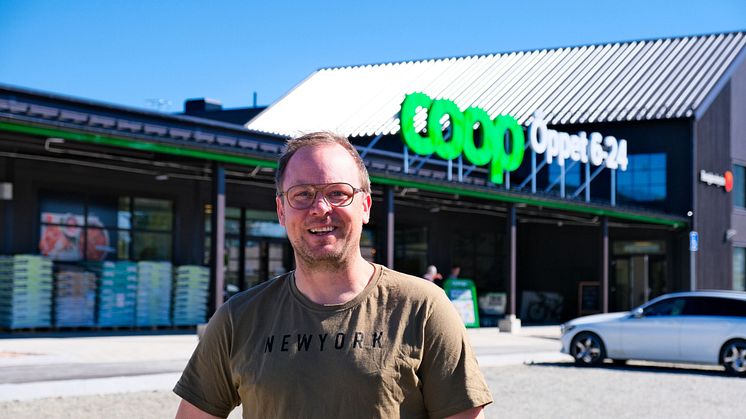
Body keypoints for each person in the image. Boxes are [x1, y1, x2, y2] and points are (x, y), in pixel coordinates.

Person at [174, 132, 493, 418]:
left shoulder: (423, 308)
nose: (320, 207)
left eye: (338, 193)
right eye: (302, 194)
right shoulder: (237, 318)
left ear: (366, 206)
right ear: (281, 211)